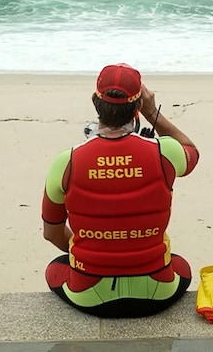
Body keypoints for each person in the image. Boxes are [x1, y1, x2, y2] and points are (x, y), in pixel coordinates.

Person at [41, 63, 200, 318]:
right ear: (138, 107)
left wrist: (94, 251)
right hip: (155, 291)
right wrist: (152, 113)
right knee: (181, 266)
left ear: (95, 102)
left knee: (55, 269)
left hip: (89, 293)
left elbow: (51, 233)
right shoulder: (164, 153)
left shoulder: (66, 161)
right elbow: (191, 150)